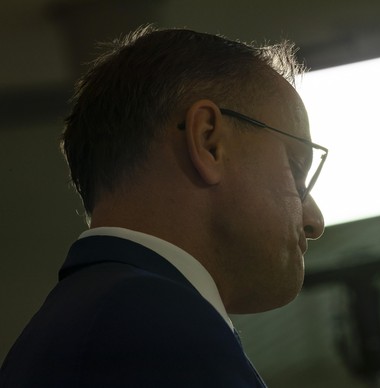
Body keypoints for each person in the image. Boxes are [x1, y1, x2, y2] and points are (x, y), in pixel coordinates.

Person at [0, 25, 325, 387]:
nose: (314, 221)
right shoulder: (156, 327)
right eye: (296, 170)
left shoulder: (74, 323)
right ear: (208, 142)